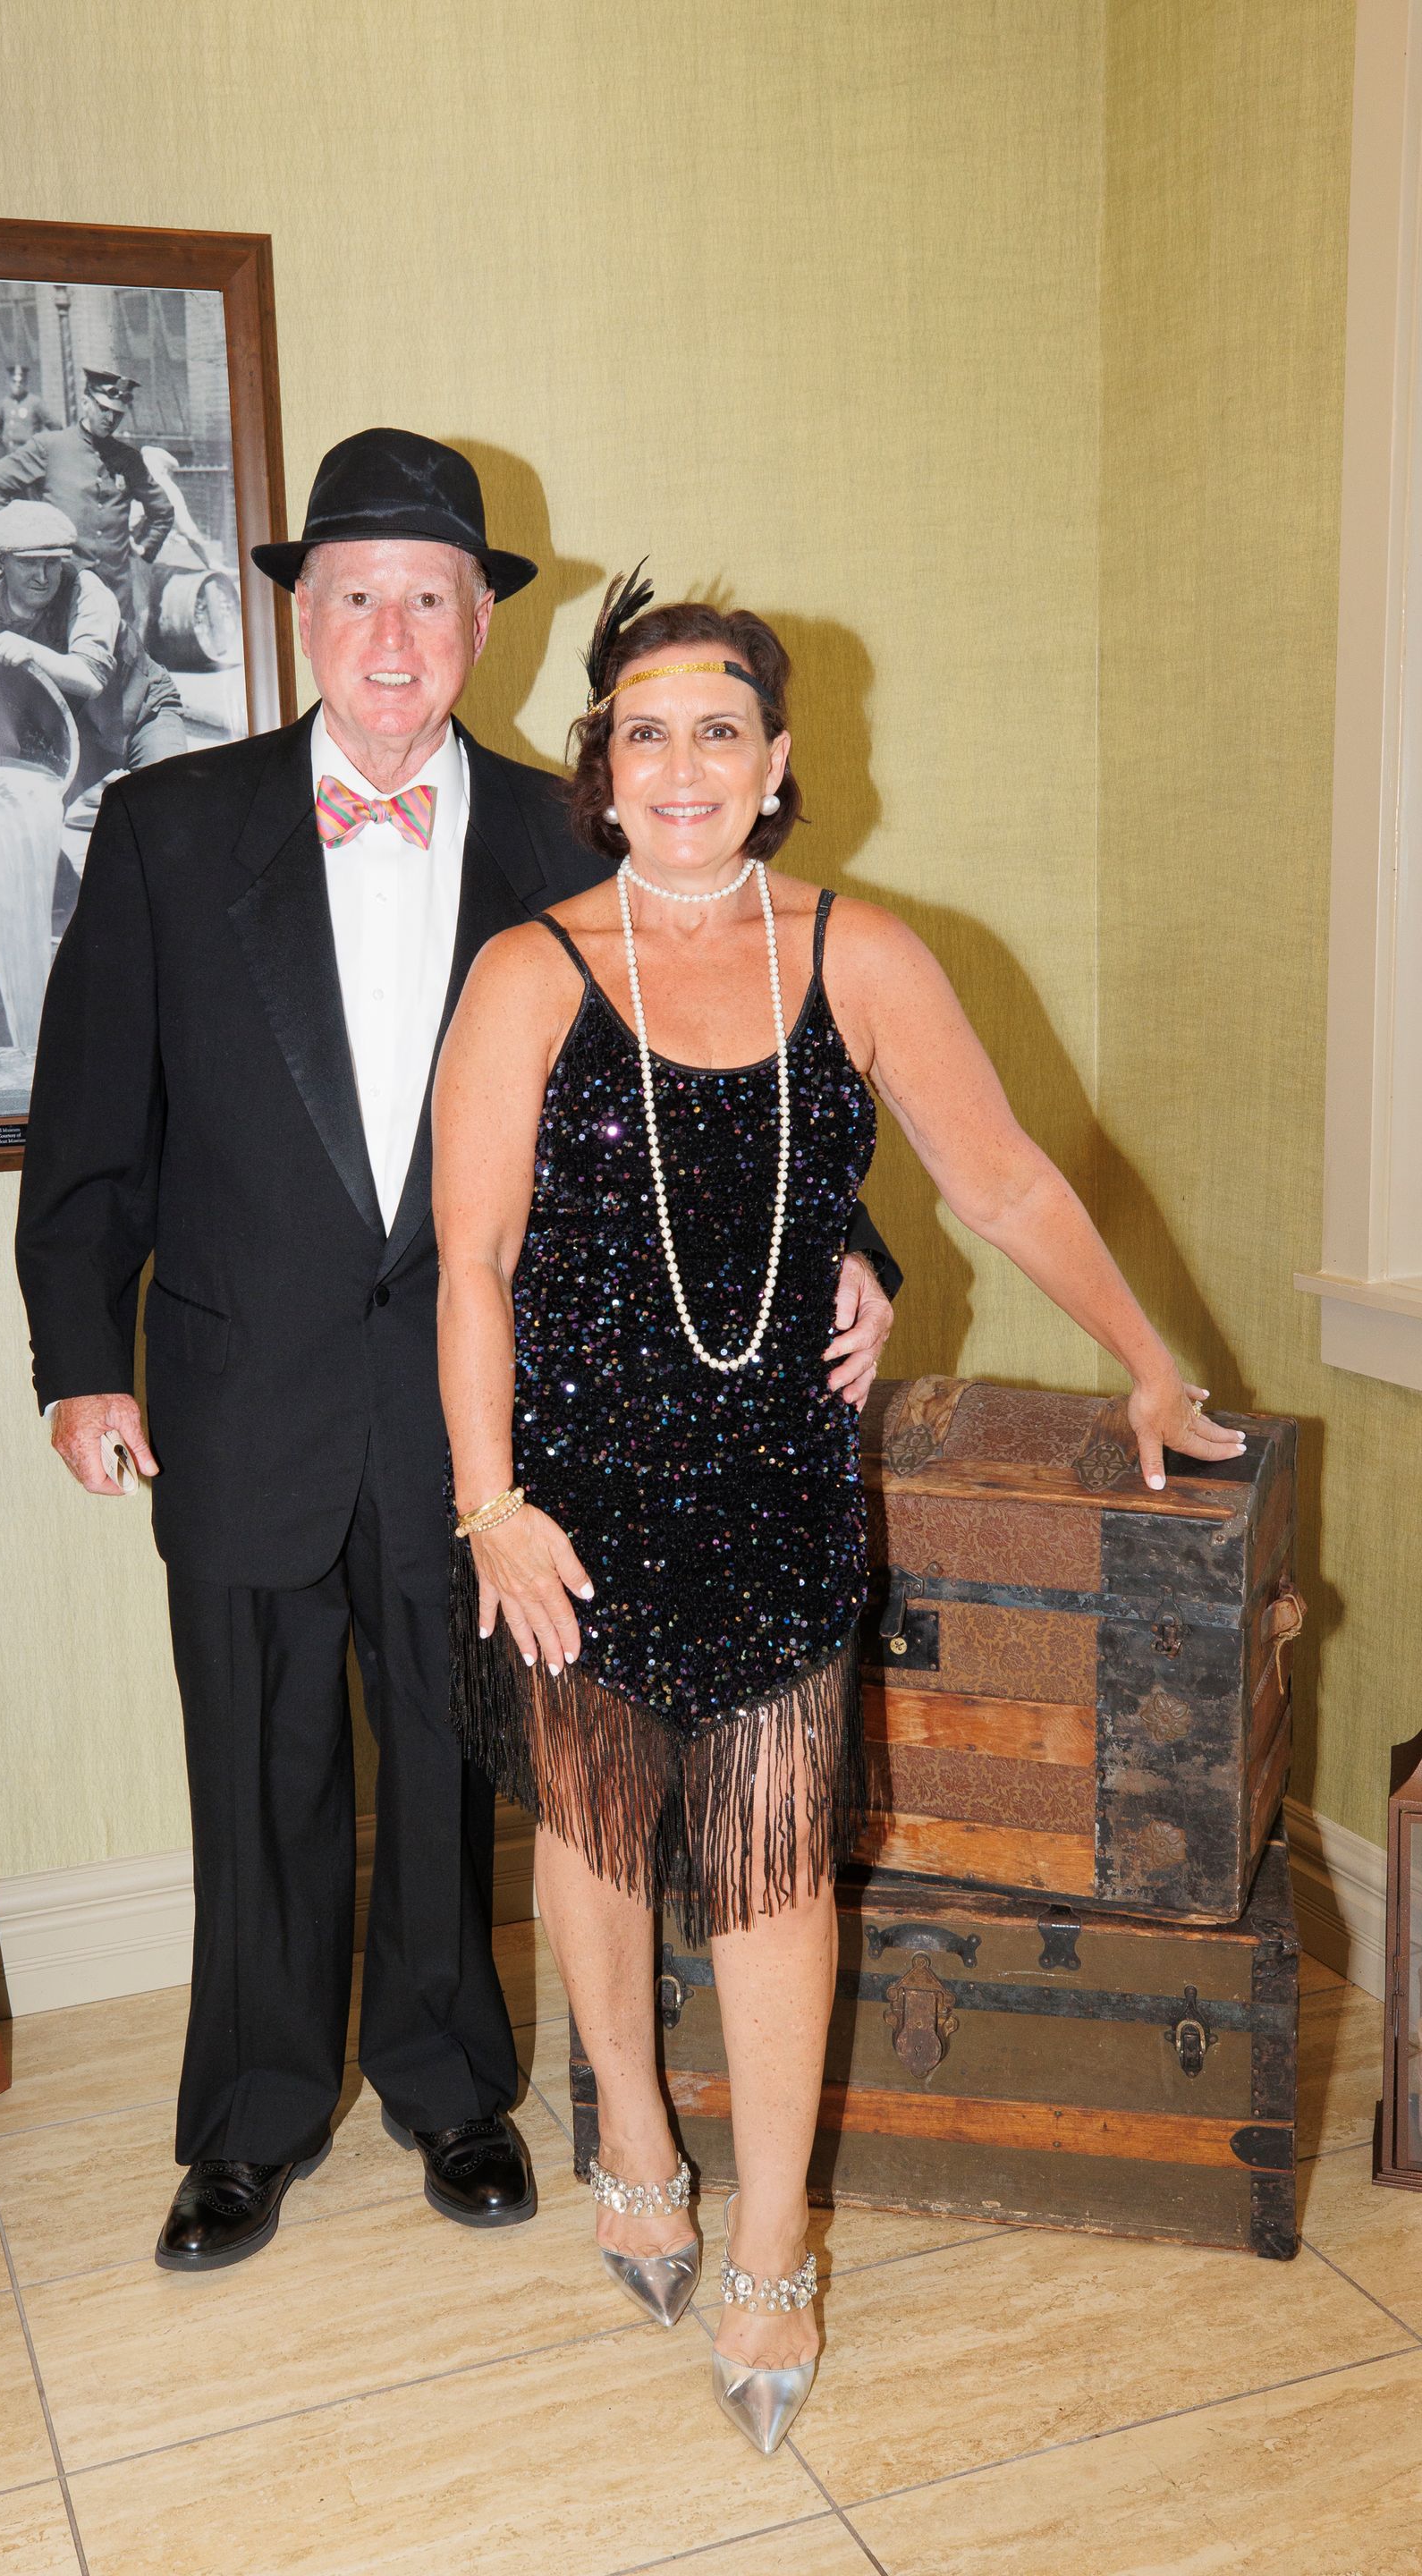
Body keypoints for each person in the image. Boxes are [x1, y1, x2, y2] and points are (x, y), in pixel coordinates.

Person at [14, 433, 903, 2277]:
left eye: (431, 594)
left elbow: (732, 1081)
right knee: (257, 1769)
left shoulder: (565, 836)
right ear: (301, 616)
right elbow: (97, 1119)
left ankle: (451, 2091)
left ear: (485, 622)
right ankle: (246, 2126)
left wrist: (860, 1252)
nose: (393, 630)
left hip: (494, 1413)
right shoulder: (172, 828)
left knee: (451, 1760)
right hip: (241, 1387)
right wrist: (78, 1357)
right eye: (356, 593)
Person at [433, 578, 1246, 2453]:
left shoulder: (861, 955)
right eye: (647, 728)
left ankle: (779, 2239)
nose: (686, 761)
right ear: (603, 772)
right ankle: (635, 2136)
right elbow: (469, 1264)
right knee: (596, 1823)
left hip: (778, 1483)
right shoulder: (528, 970)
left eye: (722, 727)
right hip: (567, 1489)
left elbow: (1010, 1176)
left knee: (778, 1858)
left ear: (778, 763)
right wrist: (486, 1501)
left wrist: (1145, 1356)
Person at [0, 499, 186, 787]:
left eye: (51, 563)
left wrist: (30, 650)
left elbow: (90, 679)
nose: (42, 577)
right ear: (2, 560)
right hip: (79, 730)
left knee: (173, 795)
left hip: (143, 714)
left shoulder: (86, 590)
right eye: (27, 563)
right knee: (37, 805)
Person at [0, 369, 174, 619]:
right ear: (85, 403)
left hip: (115, 591)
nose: (110, 419)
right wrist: (26, 539)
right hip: (61, 591)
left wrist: (145, 549)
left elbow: (163, 512)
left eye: (118, 414)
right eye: (103, 409)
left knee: (120, 654)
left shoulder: (129, 459)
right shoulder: (50, 446)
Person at [0, 362, 55, 453]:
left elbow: (55, 425)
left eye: (21, 382)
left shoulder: (35, 402)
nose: (17, 385)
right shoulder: (4, 403)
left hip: (29, 454)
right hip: (9, 454)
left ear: (25, 383)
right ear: (9, 383)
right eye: (14, 382)